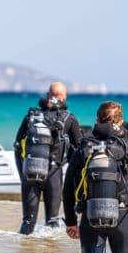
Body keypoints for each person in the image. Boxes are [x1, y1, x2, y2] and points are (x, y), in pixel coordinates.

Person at [63, 101, 128, 253]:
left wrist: (71, 221)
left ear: (97, 121)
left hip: (90, 215)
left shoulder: (84, 148)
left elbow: (67, 189)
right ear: (121, 122)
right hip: (122, 215)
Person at [14, 82, 83, 234]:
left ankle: (24, 252)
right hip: (53, 172)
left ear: (47, 96)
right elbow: (79, 150)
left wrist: (22, 174)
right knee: (52, 220)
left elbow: (17, 146)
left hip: (31, 170)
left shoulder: (32, 117)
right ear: (64, 98)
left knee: (28, 220)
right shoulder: (69, 118)